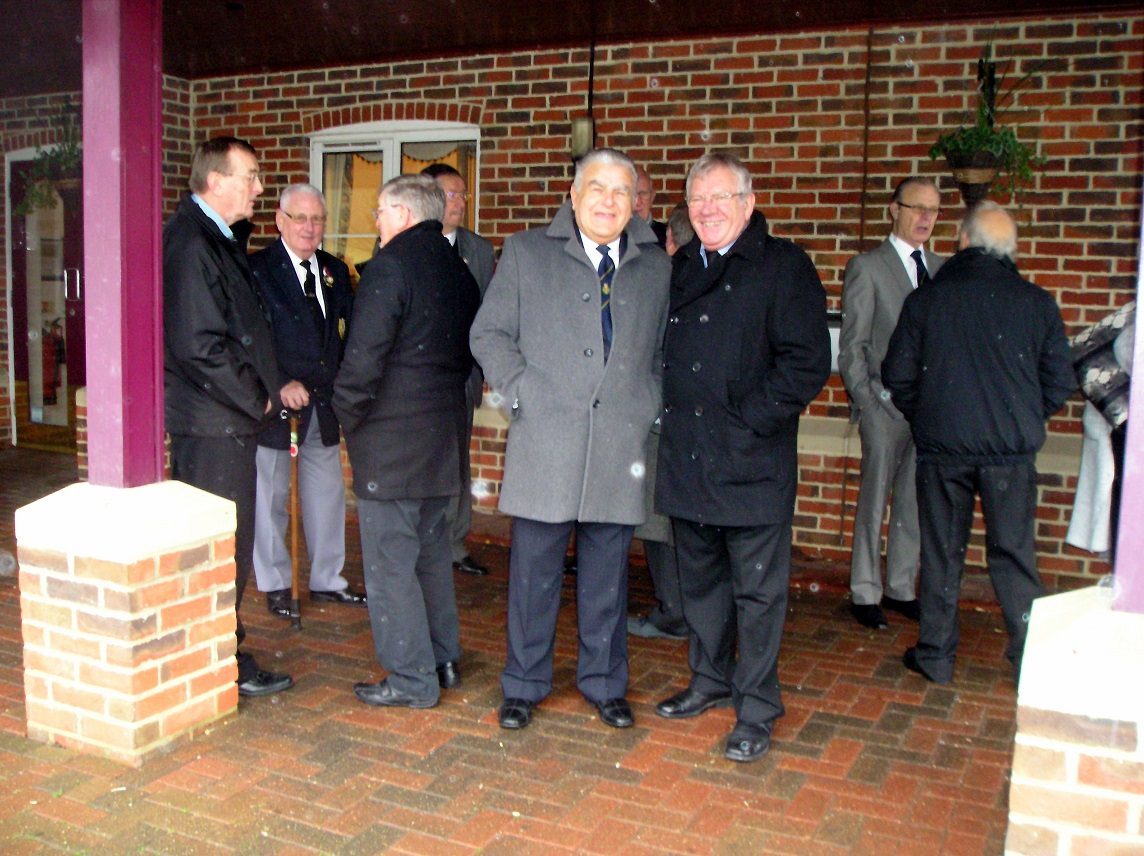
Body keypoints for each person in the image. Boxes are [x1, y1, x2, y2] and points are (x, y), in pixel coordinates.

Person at [470, 148, 670, 730]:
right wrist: (521, 393)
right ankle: (523, 683)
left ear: (635, 202)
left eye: (621, 191)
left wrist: (647, 404)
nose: (609, 201)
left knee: (608, 576)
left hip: (619, 443)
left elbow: (662, 351)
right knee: (533, 575)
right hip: (545, 440)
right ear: (574, 195)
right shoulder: (527, 252)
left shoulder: (657, 266)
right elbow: (489, 334)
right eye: (597, 188)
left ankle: (604, 682)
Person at [653, 152, 830, 763]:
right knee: (700, 584)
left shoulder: (784, 267)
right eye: (697, 199)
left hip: (752, 461)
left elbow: (807, 362)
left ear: (748, 204)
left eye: (720, 198)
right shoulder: (680, 267)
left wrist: (749, 418)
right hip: (688, 456)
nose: (706, 210)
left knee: (757, 595)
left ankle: (756, 707)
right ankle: (709, 680)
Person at [882, 201, 1075, 684]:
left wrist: (929, 417)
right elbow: (1060, 381)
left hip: (943, 449)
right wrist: (1022, 418)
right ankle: (1030, 658)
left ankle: (936, 655)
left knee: (942, 554)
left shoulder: (927, 300)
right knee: (1014, 555)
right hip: (1010, 453)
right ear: (1010, 250)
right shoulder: (1036, 303)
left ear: (963, 240)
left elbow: (897, 374)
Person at [332, 175, 480, 708]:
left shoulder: (389, 267)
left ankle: (411, 678)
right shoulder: (459, 272)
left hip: (391, 444)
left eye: (379, 211)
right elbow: (465, 357)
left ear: (403, 214)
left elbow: (362, 360)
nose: (375, 221)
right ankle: (442, 658)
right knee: (431, 556)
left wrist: (349, 418)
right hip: (441, 438)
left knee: (391, 564)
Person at [163, 136, 293, 698]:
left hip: (224, 420)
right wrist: (257, 397)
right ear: (216, 182)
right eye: (251, 176)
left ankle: (219, 653)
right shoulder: (193, 244)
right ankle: (220, 662)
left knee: (228, 543)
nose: (259, 188)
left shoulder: (215, 237)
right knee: (221, 547)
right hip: (214, 423)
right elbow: (198, 344)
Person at [249, 184, 364, 617]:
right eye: (300, 218)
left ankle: (327, 580)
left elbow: (344, 336)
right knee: (270, 498)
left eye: (317, 219)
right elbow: (248, 338)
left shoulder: (335, 270)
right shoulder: (256, 269)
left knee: (326, 496)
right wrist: (278, 383)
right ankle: (277, 582)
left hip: (323, 404)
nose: (309, 227)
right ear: (280, 220)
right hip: (275, 405)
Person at [838, 177, 945, 630]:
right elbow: (853, 346)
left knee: (914, 503)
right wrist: (868, 402)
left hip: (930, 411)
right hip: (883, 407)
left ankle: (901, 587)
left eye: (933, 210)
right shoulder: (868, 267)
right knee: (874, 500)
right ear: (894, 209)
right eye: (916, 207)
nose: (925, 217)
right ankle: (865, 590)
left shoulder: (943, 269)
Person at [421, 163, 496, 578]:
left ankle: (453, 543)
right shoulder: (406, 243)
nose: (461, 202)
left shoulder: (479, 250)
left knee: (458, 463)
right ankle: (422, 543)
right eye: (452, 194)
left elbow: (487, 315)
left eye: (463, 194)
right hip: (419, 380)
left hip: (462, 376)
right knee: (423, 462)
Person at [629, 201, 694, 641]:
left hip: (660, 415)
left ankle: (673, 610)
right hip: (695, 418)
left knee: (657, 519)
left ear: (669, 238)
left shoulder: (661, 282)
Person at [634, 166, 668, 248]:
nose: (637, 202)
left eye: (643, 193)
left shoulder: (668, 238)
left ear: (652, 197)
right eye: (632, 195)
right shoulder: (609, 236)